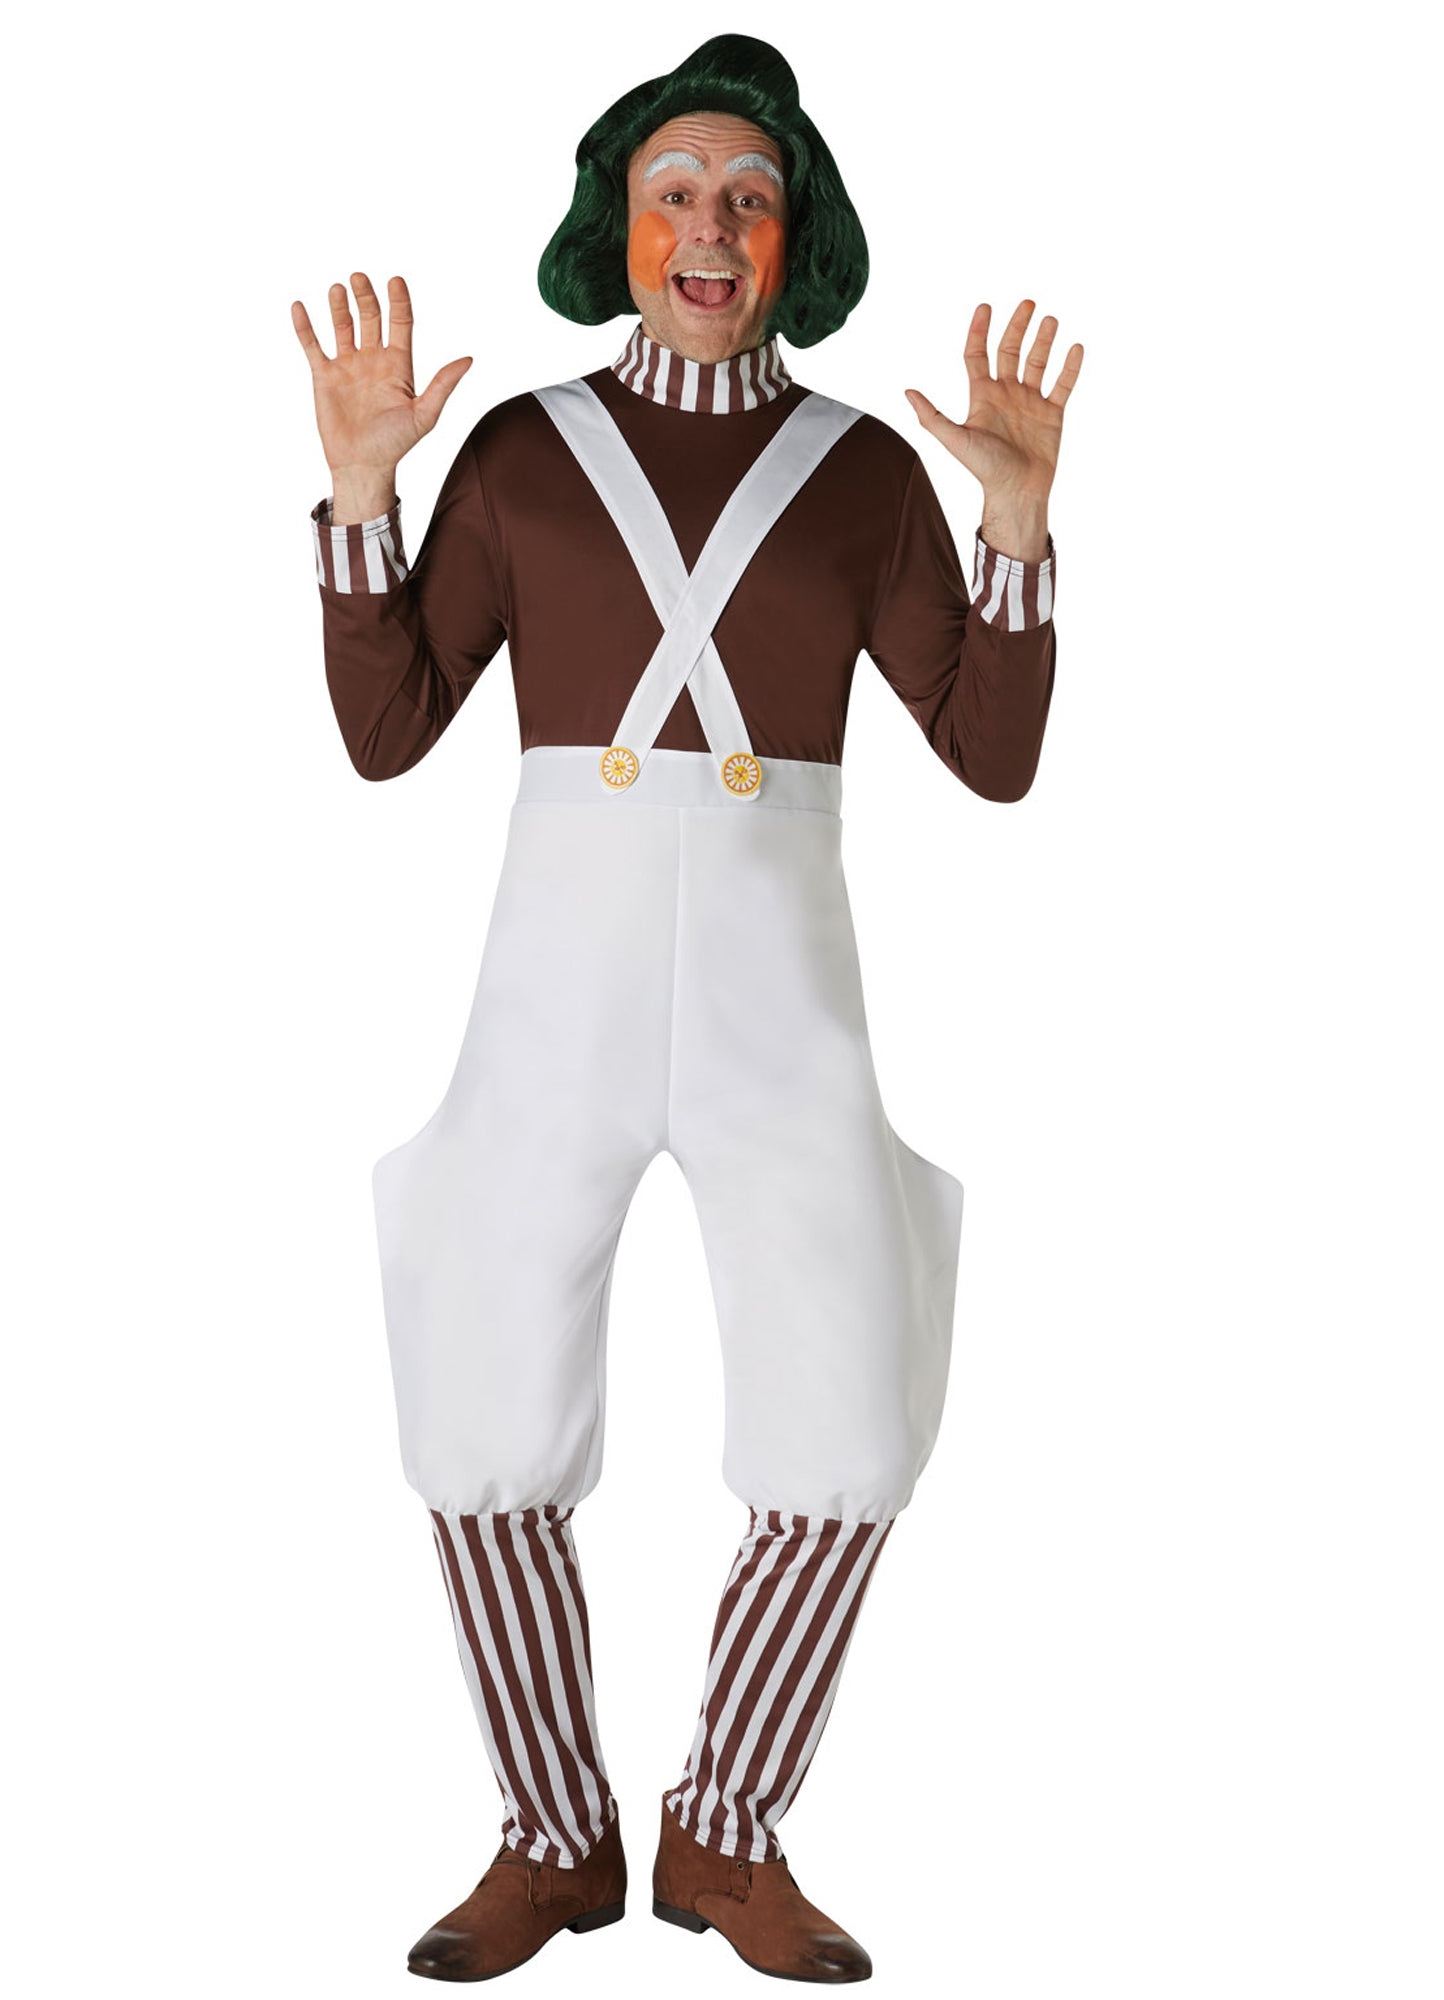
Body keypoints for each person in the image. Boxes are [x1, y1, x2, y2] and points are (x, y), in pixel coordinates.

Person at [291, 32, 1079, 1986]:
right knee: (478, 1377)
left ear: (797, 238)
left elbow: (991, 758)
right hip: (549, 982)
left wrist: (1016, 529)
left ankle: (726, 1824)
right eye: (673, 193)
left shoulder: (865, 472)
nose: (709, 227)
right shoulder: (523, 451)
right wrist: (364, 496)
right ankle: (553, 1833)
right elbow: (388, 730)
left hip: (778, 989)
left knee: (854, 1396)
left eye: (748, 195)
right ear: (616, 226)